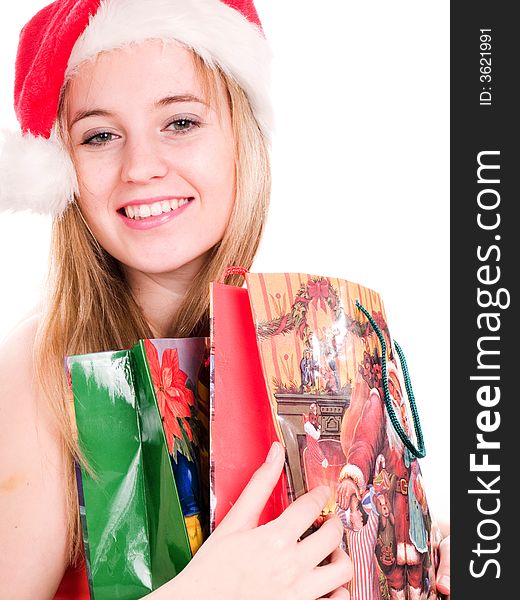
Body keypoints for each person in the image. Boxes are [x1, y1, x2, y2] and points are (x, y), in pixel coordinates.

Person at [0, 0, 450, 598]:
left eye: (180, 123)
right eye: (101, 135)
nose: (141, 168)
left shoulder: (305, 339)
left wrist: (410, 566)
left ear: (241, 135)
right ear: (65, 170)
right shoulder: (40, 376)